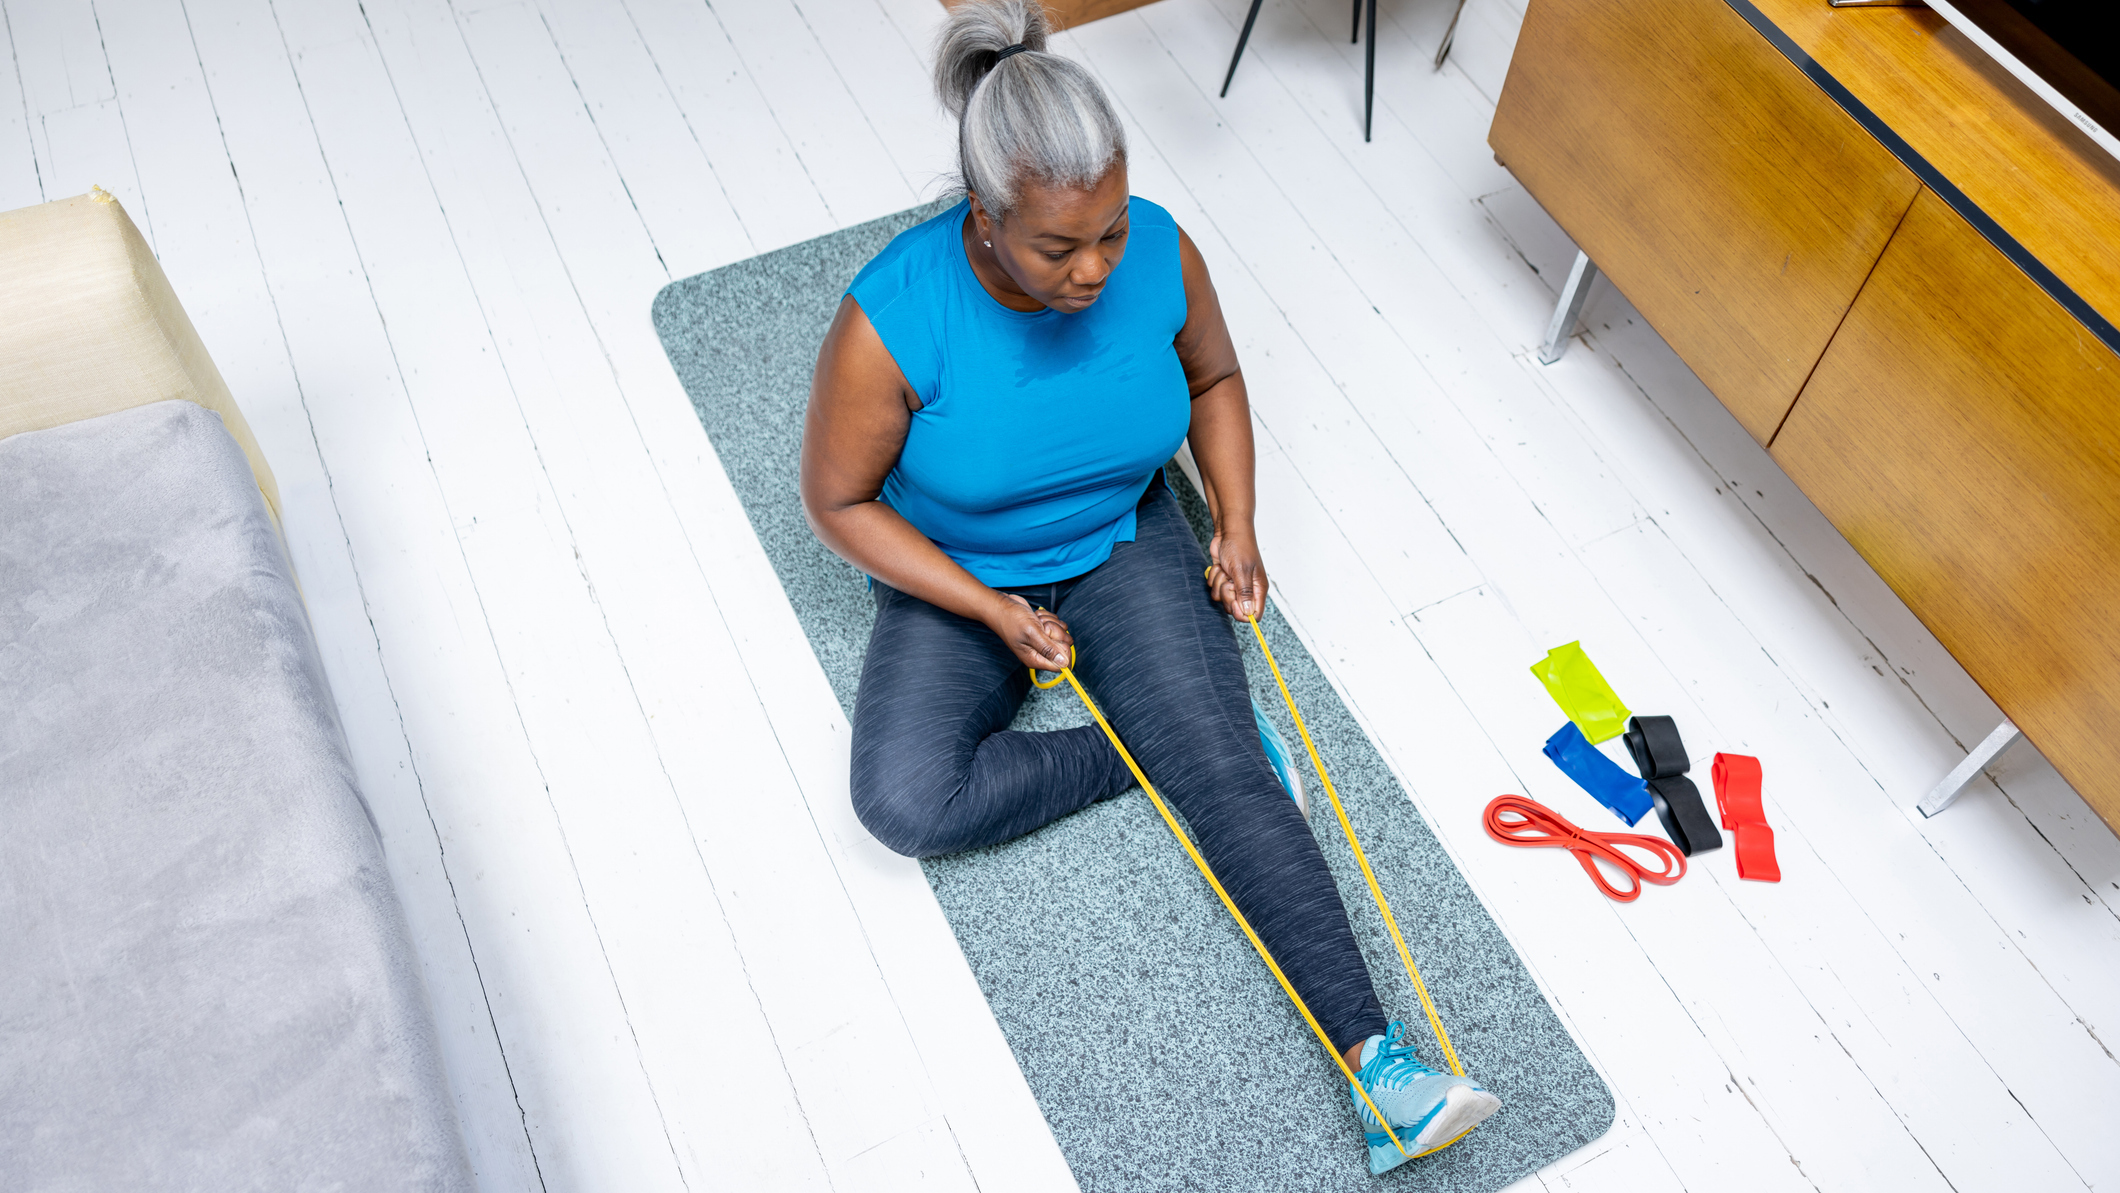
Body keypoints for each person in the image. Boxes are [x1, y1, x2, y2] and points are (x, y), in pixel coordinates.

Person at [798, 0, 1501, 1172]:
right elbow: (837, 503)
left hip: (1124, 539)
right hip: (961, 571)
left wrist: (1234, 520)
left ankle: (1386, 1071)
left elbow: (1214, 374)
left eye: (1109, 233)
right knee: (906, 802)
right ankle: (1146, 751)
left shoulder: (1161, 251)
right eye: (1056, 247)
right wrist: (985, 608)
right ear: (982, 220)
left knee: (1224, 777)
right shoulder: (890, 319)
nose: (1094, 269)